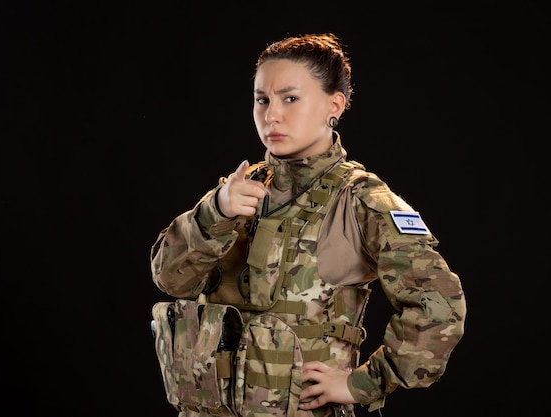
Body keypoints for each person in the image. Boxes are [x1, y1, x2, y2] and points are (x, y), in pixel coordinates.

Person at [149, 33, 466, 417]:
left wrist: (361, 384)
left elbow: (439, 306)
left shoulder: (359, 200)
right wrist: (216, 212)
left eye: (290, 98)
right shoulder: (237, 192)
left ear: (334, 105)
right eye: (262, 99)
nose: (271, 115)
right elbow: (170, 279)